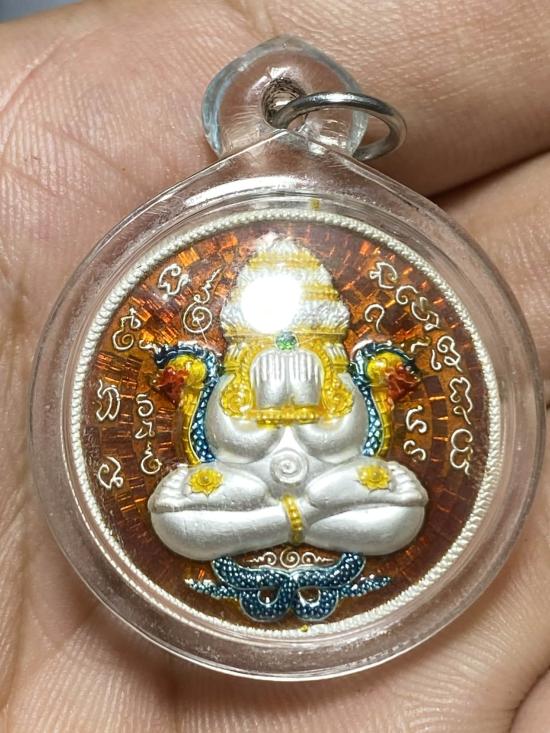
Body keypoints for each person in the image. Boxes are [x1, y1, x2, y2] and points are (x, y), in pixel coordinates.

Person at [1, 0, 549, 730]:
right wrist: (263, 449)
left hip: (330, 491)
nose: (288, 347)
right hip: (248, 492)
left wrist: (317, 441)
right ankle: (279, 520)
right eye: (273, 337)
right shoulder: (235, 382)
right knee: (176, 505)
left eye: (306, 336)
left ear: (328, 332)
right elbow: (221, 448)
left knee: (400, 499)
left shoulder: (337, 383)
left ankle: (281, 522)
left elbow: (350, 448)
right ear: (242, 335)